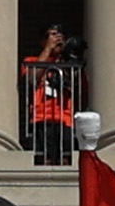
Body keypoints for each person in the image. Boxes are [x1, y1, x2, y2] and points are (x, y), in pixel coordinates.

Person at [22, 24, 79, 160]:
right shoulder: (32, 61)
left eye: (59, 37)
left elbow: (78, 84)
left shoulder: (68, 62)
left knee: (66, 159)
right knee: (43, 159)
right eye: (51, 36)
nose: (56, 40)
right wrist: (48, 49)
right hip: (41, 118)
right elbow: (31, 79)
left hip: (65, 120)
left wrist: (66, 53)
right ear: (43, 41)